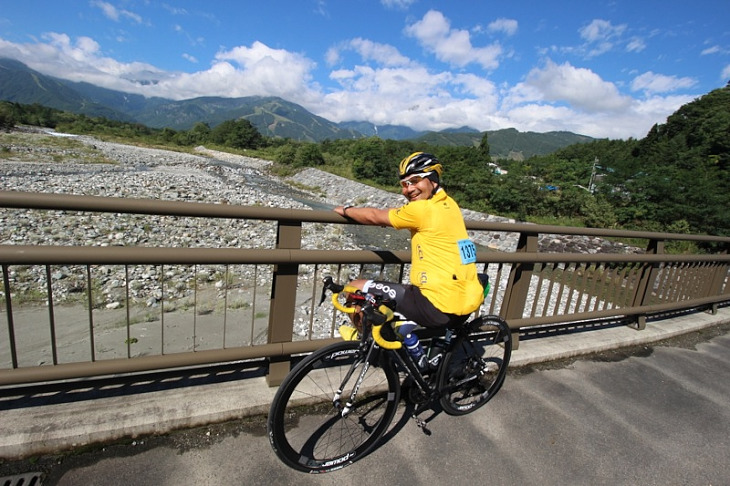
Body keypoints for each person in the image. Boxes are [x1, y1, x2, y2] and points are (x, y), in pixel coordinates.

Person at [334, 152, 485, 330]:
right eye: (404, 184)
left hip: (435, 305)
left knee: (353, 287)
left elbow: (375, 216)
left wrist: (346, 210)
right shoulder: (449, 204)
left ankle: (364, 341)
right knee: (393, 300)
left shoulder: (421, 210)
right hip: (464, 300)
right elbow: (404, 213)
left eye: (415, 181)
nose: (408, 189)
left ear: (433, 180)